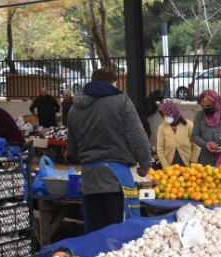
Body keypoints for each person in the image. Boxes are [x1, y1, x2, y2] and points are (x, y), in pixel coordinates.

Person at [67, 67, 152, 233]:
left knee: (95, 234)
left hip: (90, 179)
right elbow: (137, 135)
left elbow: (72, 148)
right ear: (115, 83)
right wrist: (145, 163)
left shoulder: (75, 107)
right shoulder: (121, 101)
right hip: (116, 180)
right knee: (122, 234)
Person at [156, 101, 200, 168]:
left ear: (174, 113)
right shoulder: (162, 128)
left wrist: (193, 161)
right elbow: (160, 149)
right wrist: (166, 166)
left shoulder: (188, 125)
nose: (165, 117)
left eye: (167, 115)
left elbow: (196, 144)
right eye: (164, 115)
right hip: (169, 166)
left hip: (187, 165)